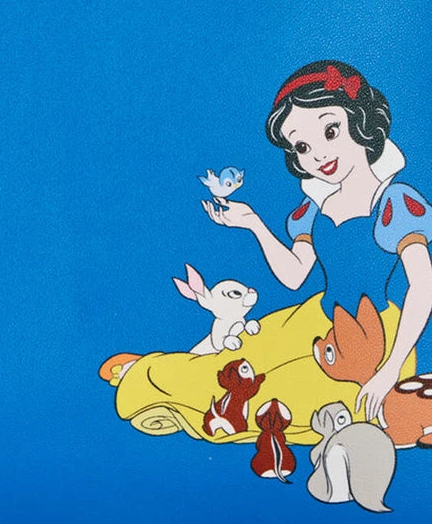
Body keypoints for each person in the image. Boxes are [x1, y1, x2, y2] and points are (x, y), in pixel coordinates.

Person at [99, 61, 432, 444]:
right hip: (313, 321)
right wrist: (254, 223)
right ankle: (153, 377)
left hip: (374, 343)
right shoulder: (316, 206)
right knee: (238, 365)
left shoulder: (394, 202)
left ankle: (154, 383)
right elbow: (295, 275)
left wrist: (389, 370)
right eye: (302, 146)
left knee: (270, 400)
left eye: (330, 131)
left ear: (360, 123)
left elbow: (423, 287)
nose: (318, 155)